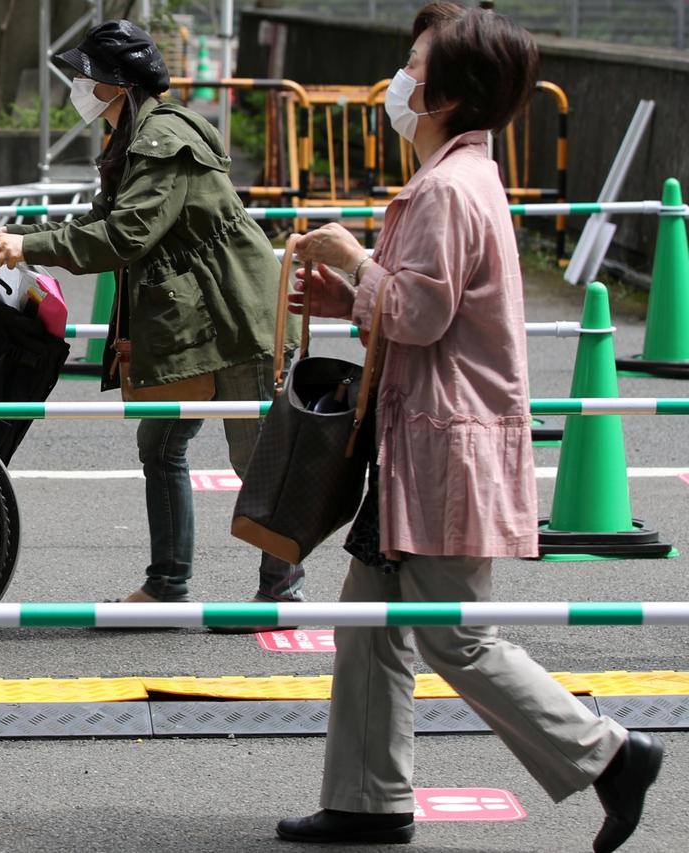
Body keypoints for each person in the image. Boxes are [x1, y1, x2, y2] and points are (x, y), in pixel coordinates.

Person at [276, 6, 662, 850]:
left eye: (413, 65)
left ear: (448, 94)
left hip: (447, 446)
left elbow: (418, 310)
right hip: (424, 443)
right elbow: (425, 310)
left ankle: (611, 754)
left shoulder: (450, 187)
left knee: (458, 635)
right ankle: (367, 801)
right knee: (370, 628)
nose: (400, 79)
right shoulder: (457, 178)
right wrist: (355, 300)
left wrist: (350, 262)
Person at [0, 19, 302, 616]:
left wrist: (29, 247)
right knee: (160, 444)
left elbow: (127, 234)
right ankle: (166, 584)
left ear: (117, 85)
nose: (76, 86)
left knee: (253, 457)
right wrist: (23, 239)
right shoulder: (128, 135)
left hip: (237, 316)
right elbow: (103, 225)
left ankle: (280, 588)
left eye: (85, 78)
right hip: (191, 318)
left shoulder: (162, 137)